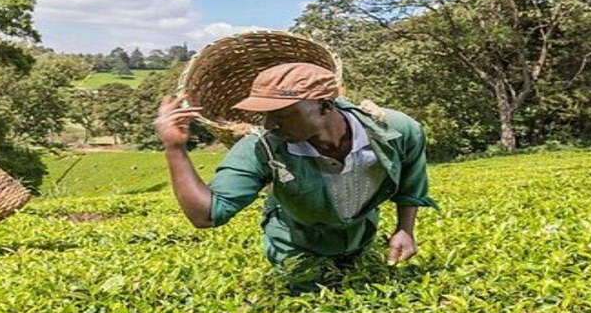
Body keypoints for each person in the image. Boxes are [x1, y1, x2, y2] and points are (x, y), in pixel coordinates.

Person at [154, 62, 438, 292]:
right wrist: (175, 148)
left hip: (361, 235)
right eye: (264, 115)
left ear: (326, 106)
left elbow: (410, 183)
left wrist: (405, 229)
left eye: (283, 114)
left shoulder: (395, 129)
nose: (269, 124)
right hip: (296, 243)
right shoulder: (261, 147)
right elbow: (206, 215)